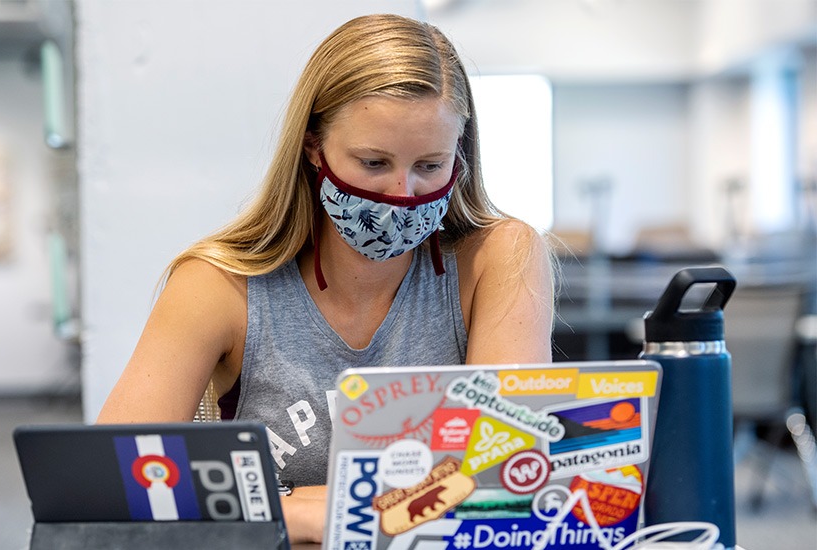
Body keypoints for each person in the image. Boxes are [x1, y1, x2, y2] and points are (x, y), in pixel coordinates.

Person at [97, 13, 555, 543]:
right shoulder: (217, 285)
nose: (403, 193)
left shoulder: (497, 256)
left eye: (430, 165)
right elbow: (116, 478)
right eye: (373, 162)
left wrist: (308, 505)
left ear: (461, 155)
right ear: (315, 148)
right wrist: (311, 512)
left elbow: (505, 476)